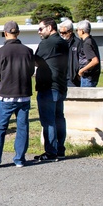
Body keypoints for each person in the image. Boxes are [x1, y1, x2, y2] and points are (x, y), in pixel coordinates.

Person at [0, 21, 34, 168]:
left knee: (0, 128)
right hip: (24, 93)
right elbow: (31, 71)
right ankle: (19, 159)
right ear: (18, 33)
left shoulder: (0, 52)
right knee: (22, 127)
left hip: (7, 94)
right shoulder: (28, 51)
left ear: (5, 33)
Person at [34, 17, 71, 162]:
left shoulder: (47, 43)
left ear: (50, 28)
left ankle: (51, 152)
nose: (39, 32)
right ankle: (60, 149)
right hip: (61, 85)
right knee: (59, 119)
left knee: (48, 120)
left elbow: (35, 60)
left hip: (48, 86)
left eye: (41, 29)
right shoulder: (63, 42)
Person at [76, 20, 101, 87]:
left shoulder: (87, 43)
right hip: (90, 77)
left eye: (77, 30)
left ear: (82, 31)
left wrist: (81, 70)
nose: (77, 32)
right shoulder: (91, 40)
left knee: (85, 97)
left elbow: (95, 61)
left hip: (88, 78)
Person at [58, 20, 81, 88]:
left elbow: (81, 59)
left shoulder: (77, 43)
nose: (61, 34)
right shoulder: (59, 43)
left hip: (72, 78)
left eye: (64, 32)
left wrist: (77, 74)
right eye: (60, 32)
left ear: (70, 31)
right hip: (61, 77)